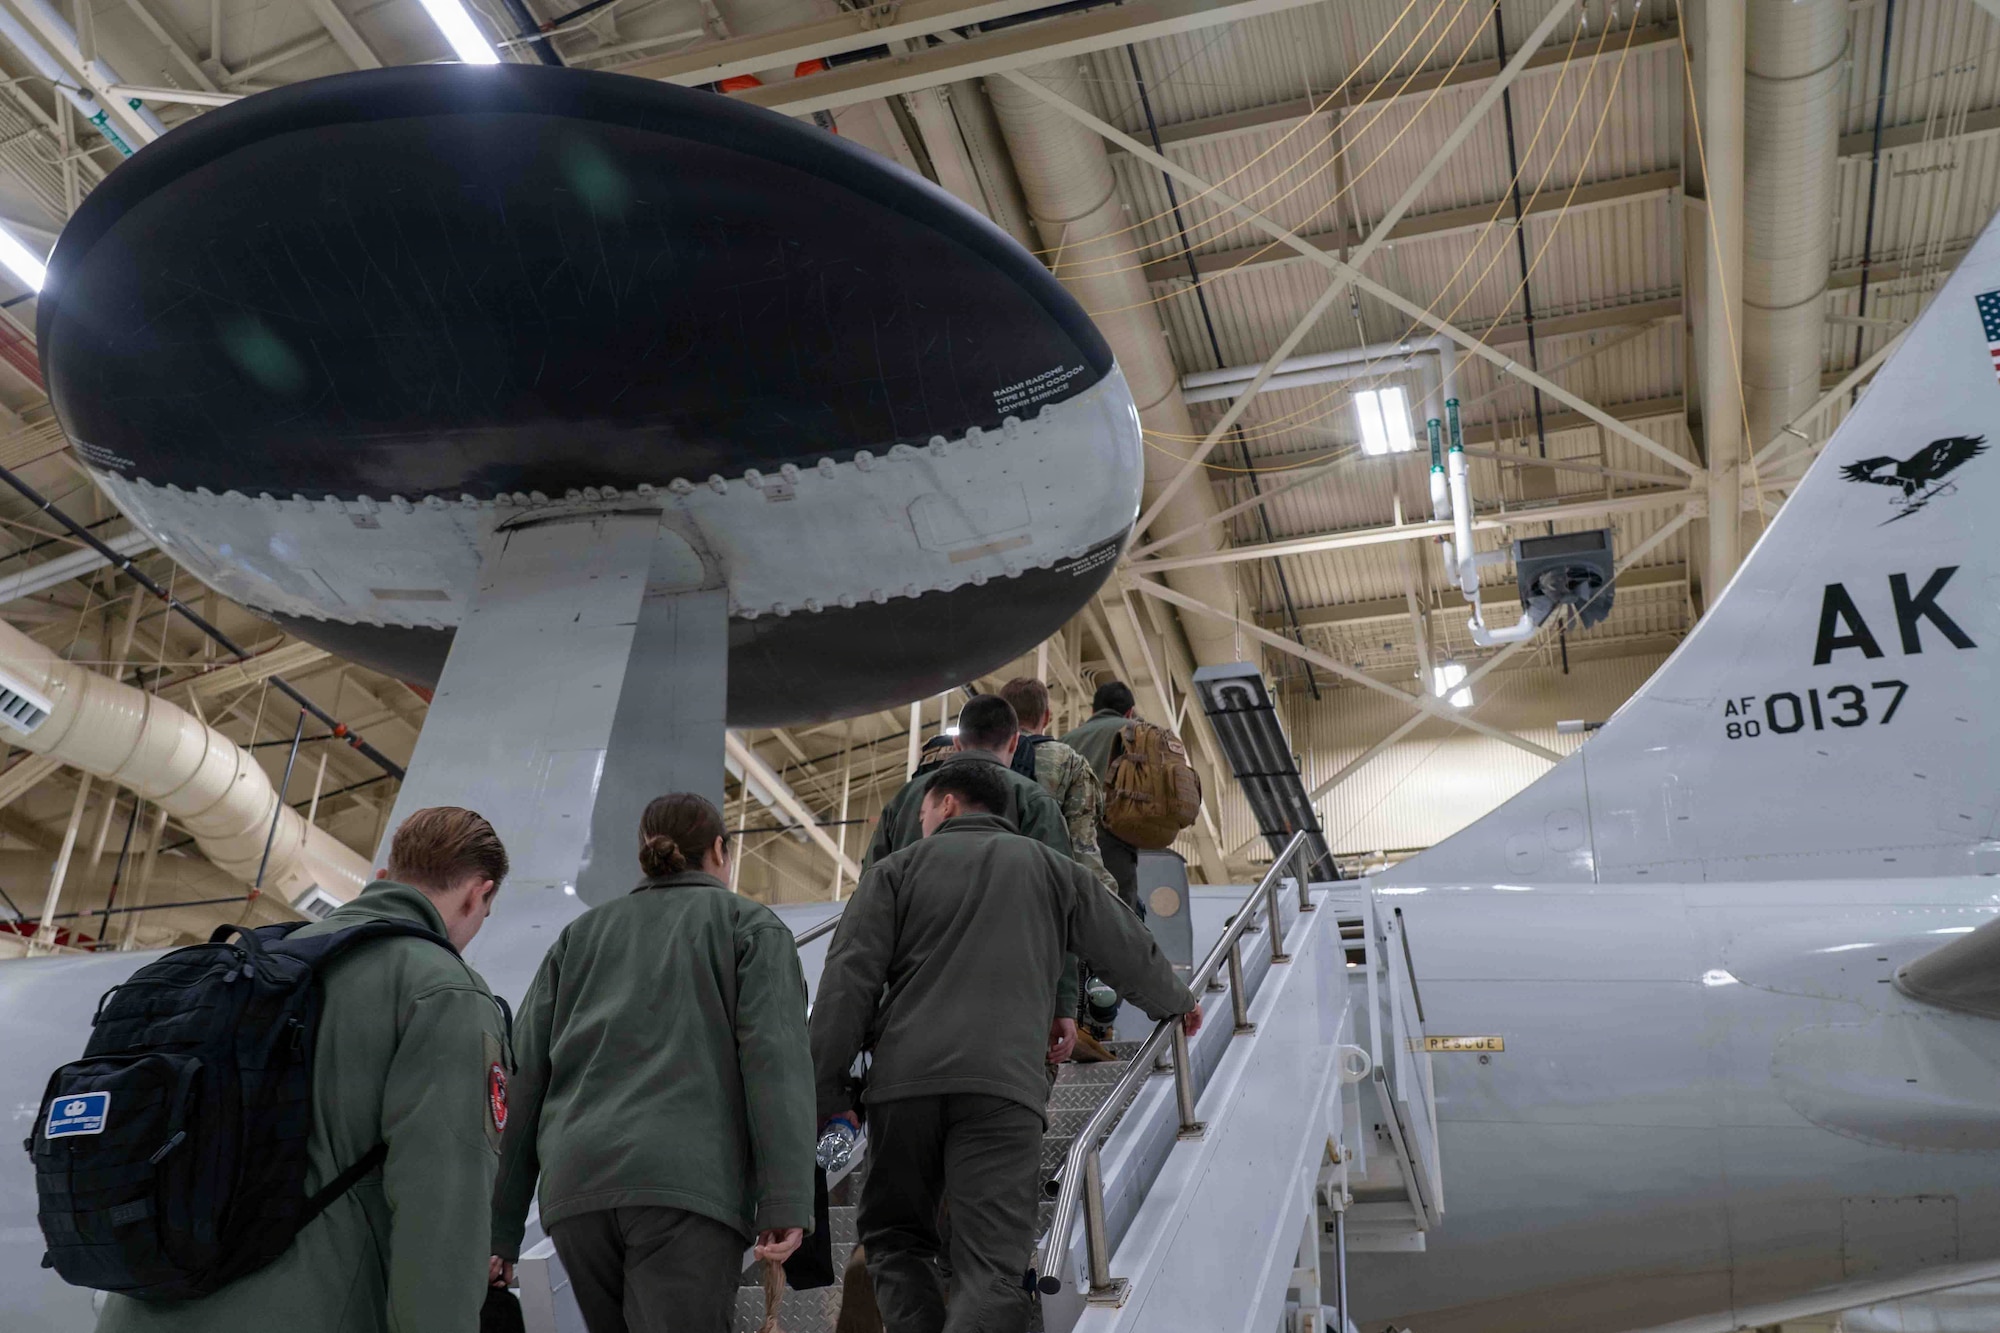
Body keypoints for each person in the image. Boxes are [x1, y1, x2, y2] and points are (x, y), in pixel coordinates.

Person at [812, 762, 1200, 1333]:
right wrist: (1176, 1001)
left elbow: (846, 987)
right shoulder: (1052, 869)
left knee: (895, 1241)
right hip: (1003, 1093)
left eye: (922, 809)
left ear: (946, 804)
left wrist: (828, 1093)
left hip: (902, 1092)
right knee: (992, 1265)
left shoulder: (893, 873)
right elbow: (1127, 946)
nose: (920, 819)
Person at [97, 807, 514, 1333]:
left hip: (142, 1308)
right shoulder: (442, 988)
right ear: (479, 894)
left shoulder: (250, 964)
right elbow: (444, 1201)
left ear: (383, 878)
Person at [490, 793, 815, 1333]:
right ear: (719, 849)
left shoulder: (578, 939)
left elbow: (523, 1083)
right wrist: (785, 1198)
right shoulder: (750, 927)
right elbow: (775, 1065)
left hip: (578, 1190)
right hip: (688, 1189)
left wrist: (501, 1227)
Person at [864, 694, 1070, 866]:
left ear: (957, 743)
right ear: (1014, 742)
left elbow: (871, 883)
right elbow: (1059, 886)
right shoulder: (1034, 799)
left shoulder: (904, 799)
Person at [995, 676, 1116, 900]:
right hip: (1044, 891)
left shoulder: (985, 756)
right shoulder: (1070, 762)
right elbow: (1083, 849)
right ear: (1047, 716)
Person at [1060, 680, 1145, 917]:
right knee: (1118, 917)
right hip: (1115, 841)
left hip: (1068, 845)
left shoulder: (1066, 740)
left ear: (1093, 711)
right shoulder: (1137, 732)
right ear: (1129, 711)